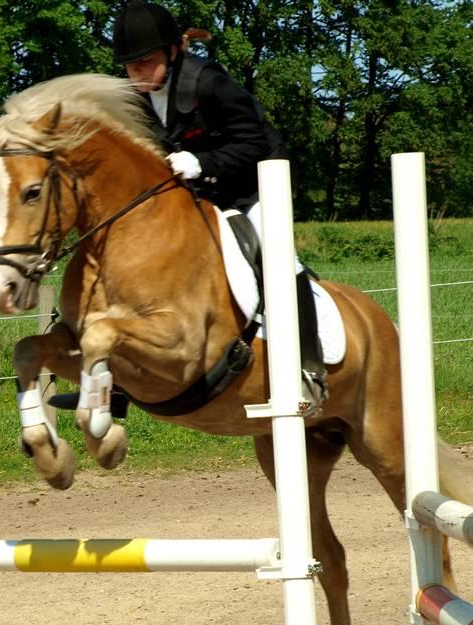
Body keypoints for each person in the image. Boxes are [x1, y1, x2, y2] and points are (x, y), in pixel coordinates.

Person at [112, 1, 328, 412]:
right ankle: (117, 386)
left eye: (145, 62)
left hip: (255, 184)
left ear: (173, 51)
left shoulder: (208, 82)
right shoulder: (136, 98)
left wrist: (203, 163)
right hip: (199, 193)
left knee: (277, 257)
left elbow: (256, 143)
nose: (136, 73)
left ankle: (310, 369)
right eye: (129, 65)